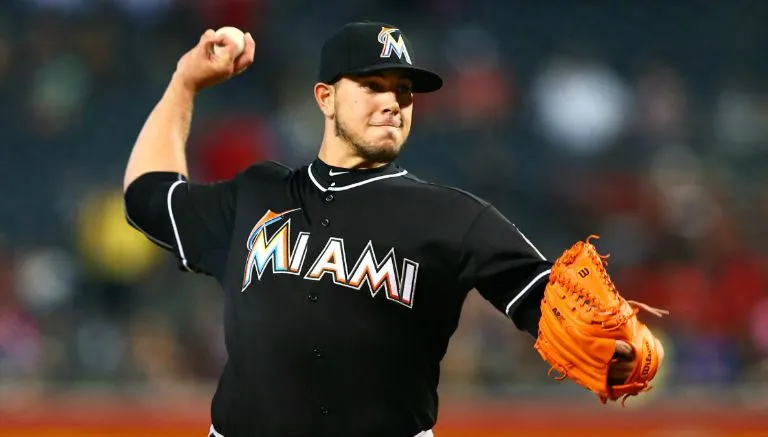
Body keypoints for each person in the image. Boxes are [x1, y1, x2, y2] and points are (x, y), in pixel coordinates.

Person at [123, 21, 635, 437]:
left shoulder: (452, 217)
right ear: (324, 97)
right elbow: (148, 195)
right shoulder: (257, 194)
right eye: (372, 85)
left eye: (404, 91)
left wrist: (614, 344)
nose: (393, 102)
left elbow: (543, 297)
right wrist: (184, 83)